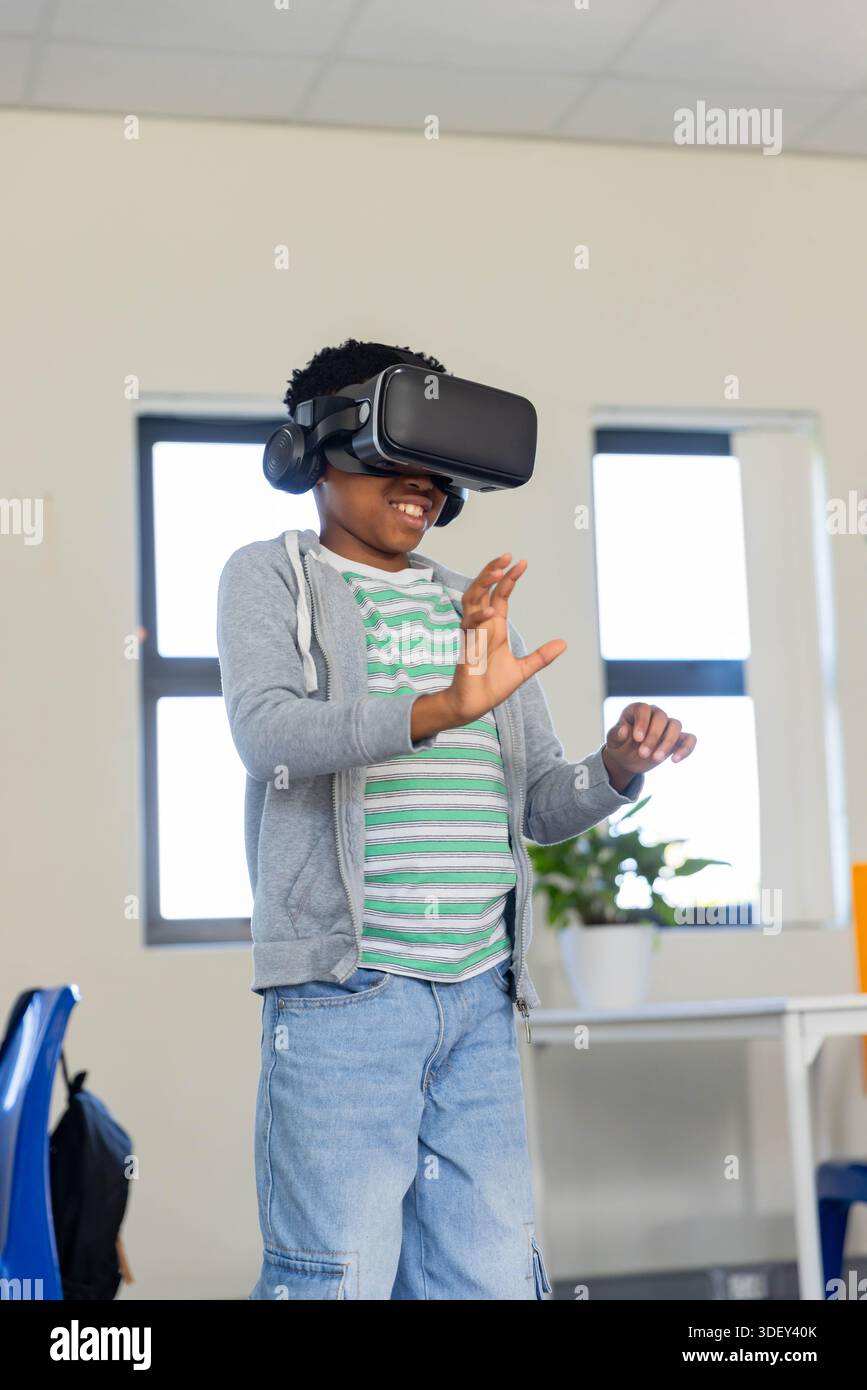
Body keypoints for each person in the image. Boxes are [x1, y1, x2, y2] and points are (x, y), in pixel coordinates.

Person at [216, 337, 697, 1300]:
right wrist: (440, 709)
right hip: (347, 994)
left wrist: (614, 767)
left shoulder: (469, 608)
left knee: (485, 1274)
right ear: (312, 452)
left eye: (440, 470)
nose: (424, 486)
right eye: (398, 457)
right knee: (336, 1273)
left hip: (478, 997)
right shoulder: (274, 578)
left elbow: (536, 806)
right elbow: (269, 735)